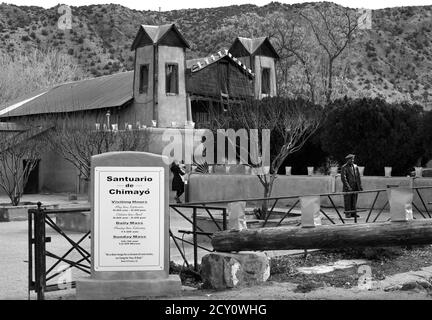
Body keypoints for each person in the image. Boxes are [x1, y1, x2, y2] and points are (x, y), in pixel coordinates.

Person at [341, 154, 363, 218]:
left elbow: (358, 177)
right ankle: (348, 214)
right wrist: (348, 187)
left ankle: (353, 213)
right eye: (351, 159)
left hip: (355, 187)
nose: (353, 160)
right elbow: (343, 178)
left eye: (353, 159)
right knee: (348, 201)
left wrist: (360, 186)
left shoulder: (356, 166)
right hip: (348, 188)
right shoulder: (344, 167)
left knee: (354, 200)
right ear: (348, 160)